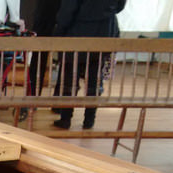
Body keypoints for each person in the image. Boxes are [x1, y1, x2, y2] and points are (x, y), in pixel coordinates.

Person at [51, 0, 125, 129]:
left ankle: (65, 119)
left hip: (78, 32)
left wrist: (59, 31)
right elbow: (120, 6)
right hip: (105, 31)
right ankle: (89, 121)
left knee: (69, 81)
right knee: (94, 81)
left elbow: (68, 10)